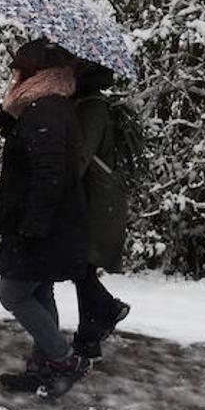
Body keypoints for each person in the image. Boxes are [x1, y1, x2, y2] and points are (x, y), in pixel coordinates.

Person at [0, 38, 91, 397]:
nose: (13, 76)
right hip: (45, 222)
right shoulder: (46, 108)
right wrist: (9, 122)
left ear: (34, 74)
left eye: (18, 69)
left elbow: (48, 174)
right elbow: (32, 154)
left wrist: (34, 226)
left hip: (40, 224)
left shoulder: (45, 111)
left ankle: (63, 360)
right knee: (40, 288)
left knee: (13, 293)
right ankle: (44, 368)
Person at [70, 62, 131, 358]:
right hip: (99, 201)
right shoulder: (91, 105)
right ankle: (89, 335)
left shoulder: (92, 109)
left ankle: (103, 314)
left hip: (97, 202)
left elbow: (80, 158)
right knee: (82, 266)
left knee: (81, 264)